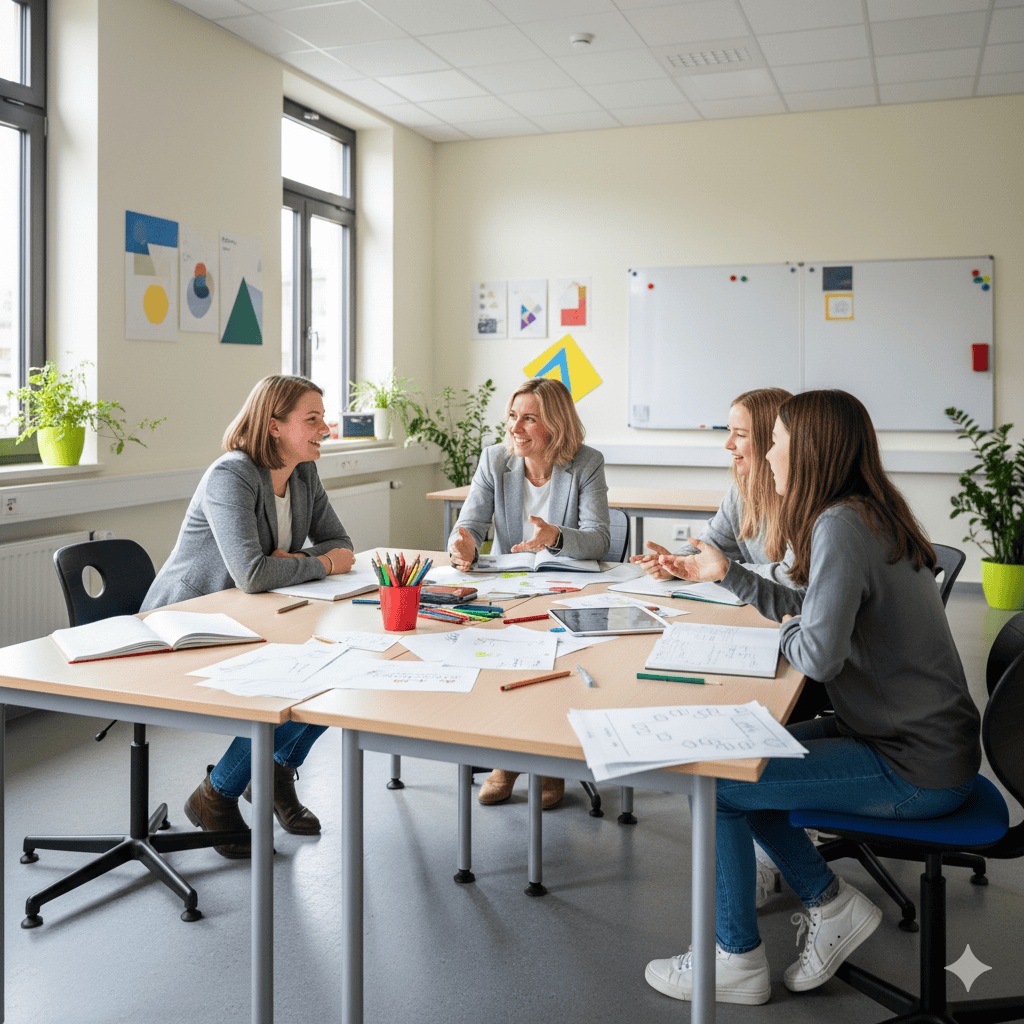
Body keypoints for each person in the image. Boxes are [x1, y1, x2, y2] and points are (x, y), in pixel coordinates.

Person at [644, 389, 981, 1005]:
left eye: (774, 441)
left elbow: (818, 651)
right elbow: (812, 614)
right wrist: (737, 579)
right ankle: (830, 903)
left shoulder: (839, 525)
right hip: (906, 738)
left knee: (714, 783)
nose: (766, 454)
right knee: (738, 760)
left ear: (809, 450)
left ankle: (735, 960)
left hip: (914, 766)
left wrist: (793, 630)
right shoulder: (864, 512)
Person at [142, 375, 355, 858]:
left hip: (253, 613)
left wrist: (292, 561)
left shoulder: (303, 472)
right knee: (293, 681)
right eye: (312, 419)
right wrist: (315, 564)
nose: (326, 427)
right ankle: (216, 795)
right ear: (274, 425)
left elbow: (342, 543)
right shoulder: (231, 474)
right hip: (191, 620)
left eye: (323, 416)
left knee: (339, 673)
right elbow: (255, 573)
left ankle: (273, 772)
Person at [448, 376, 610, 809]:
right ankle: (507, 761)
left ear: (554, 426)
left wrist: (555, 536)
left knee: (555, 665)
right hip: (511, 590)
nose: (515, 429)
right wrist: (461, 543)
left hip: (567, 590)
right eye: (512, 417)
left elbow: (598, 539)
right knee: (505, 664)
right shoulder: (494, 460)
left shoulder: (586, 463)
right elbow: (470, 525)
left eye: (529, 419)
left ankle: (551, 763)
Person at [631, 387, 802, 617]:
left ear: (770, 441)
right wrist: (674, 564)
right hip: (762, 612)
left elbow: (789, 578)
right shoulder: (741, 493)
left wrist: (724, 570)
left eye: (740, 435)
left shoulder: (804, 500)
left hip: (790, 619)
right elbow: (709, 545)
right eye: (729, 431)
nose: (728, 444)